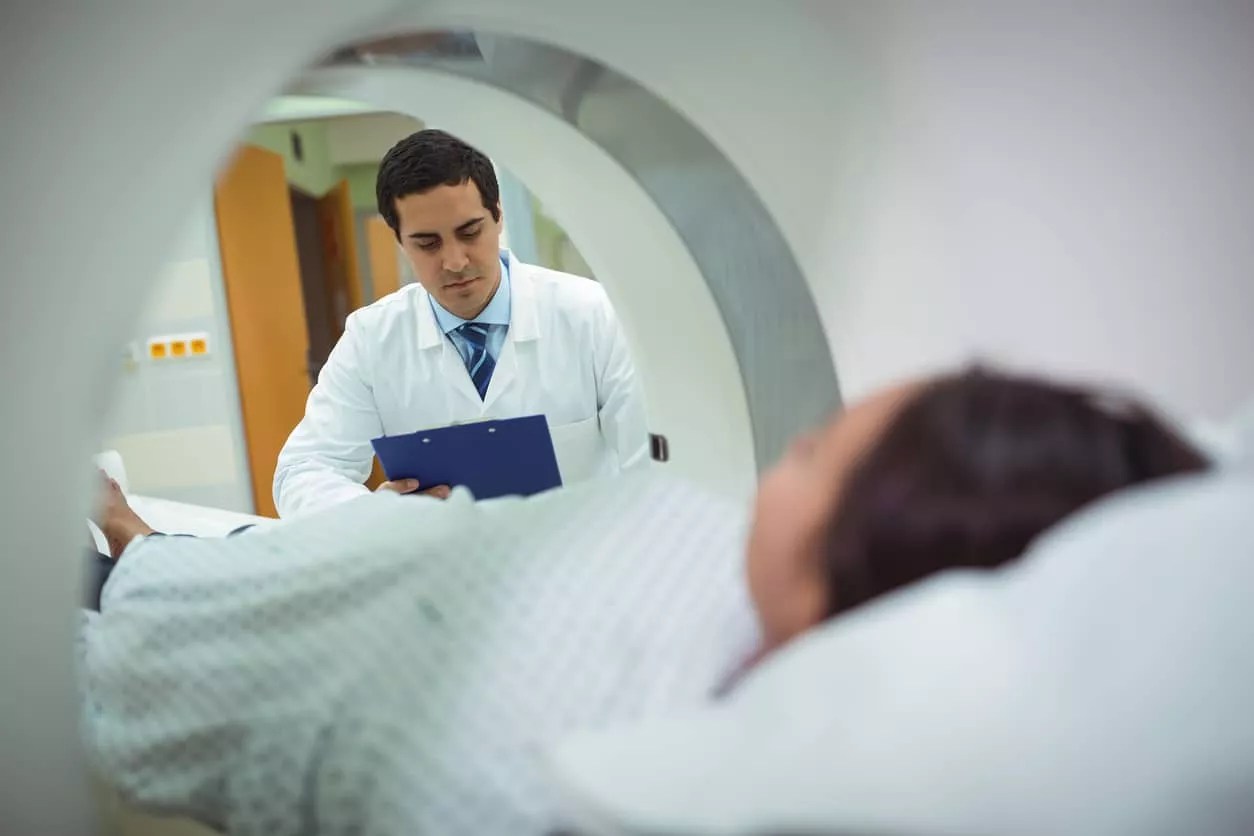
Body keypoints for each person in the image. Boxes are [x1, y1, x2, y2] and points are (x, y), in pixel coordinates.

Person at [80, 367, 1207, 834]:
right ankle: (138, 542)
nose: (788, 450)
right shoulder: (377, 344)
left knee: (210, 591)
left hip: (384, 590)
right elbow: (311, 473)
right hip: (407, 539)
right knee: (349, 542)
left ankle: (130, 552)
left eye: (814, 452)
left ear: (870, 552)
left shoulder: (547, 766)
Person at [272, 129, 650, 518]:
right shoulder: (371, 339)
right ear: (399, 239)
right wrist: (376, 514)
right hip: (439, 554)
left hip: (582, 550)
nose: (454, 262)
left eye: (469, 233)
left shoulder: (592, 314)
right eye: (427, 243)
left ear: (498, 216)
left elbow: (656, 461)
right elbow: (301, 471)